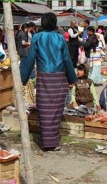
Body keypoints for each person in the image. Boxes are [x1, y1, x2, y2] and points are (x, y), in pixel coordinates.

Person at [21, 13, 77, 152]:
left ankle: (46, 142)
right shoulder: (60, 38)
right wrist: (72, 78)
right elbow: (66, 59)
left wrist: (23, 77)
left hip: (44, 76)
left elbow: (31, 57)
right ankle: (53, 141)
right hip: (58, 78)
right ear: (54, 23)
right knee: (56, 110)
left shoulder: (36, 37)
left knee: (44, 109)